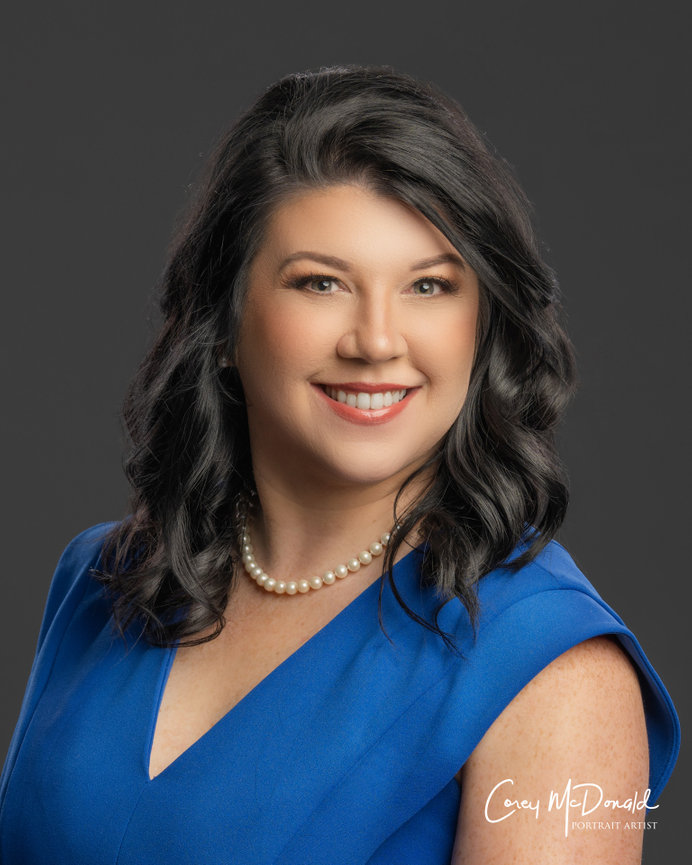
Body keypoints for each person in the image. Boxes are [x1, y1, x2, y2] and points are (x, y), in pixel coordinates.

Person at [0, 65, 679, 864]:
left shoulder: (559, 674)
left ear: (481, 326)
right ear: (224, 319)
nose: (377, 341)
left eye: (429, 285)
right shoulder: (99, 581)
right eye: (321, 282)